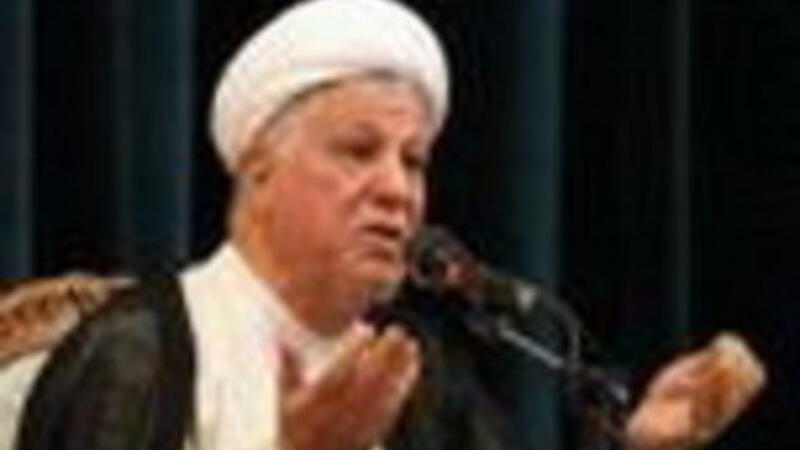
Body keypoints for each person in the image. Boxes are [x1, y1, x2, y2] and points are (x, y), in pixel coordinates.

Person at [0, 0, 764, 449]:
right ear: (259, 166)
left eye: (414, 161)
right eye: (359, 151)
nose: (398, 190)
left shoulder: (419, 373)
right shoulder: (138, 352)